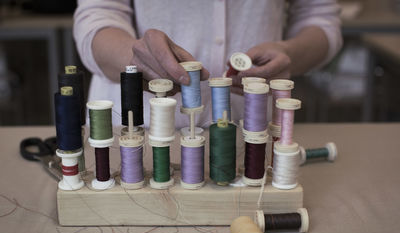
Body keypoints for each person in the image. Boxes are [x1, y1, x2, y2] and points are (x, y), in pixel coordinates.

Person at [74, 0, 342, 128]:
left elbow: (320, 17)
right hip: (135, 134)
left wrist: (290, 53)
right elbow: (98, 15)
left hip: (253, 135)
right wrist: (134, 58)